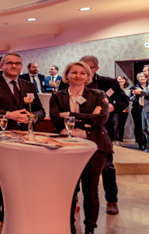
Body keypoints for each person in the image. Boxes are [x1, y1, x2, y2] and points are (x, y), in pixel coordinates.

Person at [0, 52, 45, 233]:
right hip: (1, 138)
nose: (14, 66)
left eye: (18, 63)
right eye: (10, 63)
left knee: (19, 180)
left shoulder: (28, 85)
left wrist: (33, 117)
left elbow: (40, 110)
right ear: (1, 66)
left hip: (25, 138)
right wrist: (8, 114)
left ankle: (10, 215)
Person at [49, 61, 111, 234]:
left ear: (88, 76)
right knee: (69, 189)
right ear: (67, 75)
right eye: (74, 72)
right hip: (65, 147)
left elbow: (101, 119)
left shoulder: (99, 94)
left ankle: (90, 228)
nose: (78, 76)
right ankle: (67, 226)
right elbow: (55, 119)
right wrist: (89, 117)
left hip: (95, 147)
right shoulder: (57, 96)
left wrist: (69, 115)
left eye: (82, 73)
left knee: (91, 190)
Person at [63, 55, 128, 216]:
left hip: (102, 132)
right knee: (74, 168)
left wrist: (110, 108)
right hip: (76, 132)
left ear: (95, 69)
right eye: (79, 69)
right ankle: (74, 199)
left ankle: (111, 200)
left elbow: (124, 101)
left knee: (107, 167)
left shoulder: (109, 83)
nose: (81, 73)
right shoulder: (67, 86)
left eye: (87, 69)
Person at [130, 72, 148, 150]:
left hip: (147, 108)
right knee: (139, 126)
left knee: (147, 127)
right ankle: (140, 143)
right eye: (140, 77)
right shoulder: (134, 87)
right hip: (137, 109)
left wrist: (141, 92)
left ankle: (147, 144)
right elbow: (131, 98)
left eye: (144, 77)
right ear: (138, 79)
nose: (142, 78)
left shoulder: (148, 87)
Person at [115, 75, 131, 146]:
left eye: (122, 79)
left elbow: (129, 100)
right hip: (116, 109)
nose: (121, 80)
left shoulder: (128, 90)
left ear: (125, 81)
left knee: (122, 125)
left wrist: (126, 107)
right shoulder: (115, 89)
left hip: (125, 109)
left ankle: (120, 139)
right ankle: (115, 139)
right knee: (116, 124)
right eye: (119, 79)